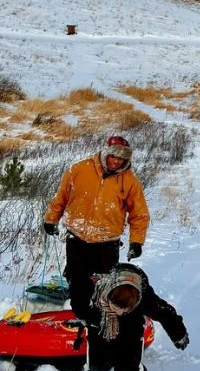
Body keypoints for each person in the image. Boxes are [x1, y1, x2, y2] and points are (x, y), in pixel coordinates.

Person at [43, 135, 150, 319]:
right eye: (113, 157)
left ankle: (104, 319)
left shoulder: (130, 181)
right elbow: (61, 197)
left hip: (107, 243)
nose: (116, 162)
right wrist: (51, 219)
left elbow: (139, 214)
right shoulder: (79, 169)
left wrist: (136, 242)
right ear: (106, 153)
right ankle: (83, 317)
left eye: (121, 159)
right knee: (77, 283)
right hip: (76, 238)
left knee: (103, 285)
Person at [82, 263, 189, 371]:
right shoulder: (99, 288)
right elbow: (81, 303)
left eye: (124, 310)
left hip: (131, 326)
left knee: (129, 357)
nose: (119, 313)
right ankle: (99, 364)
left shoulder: (144, 297)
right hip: (103, 321)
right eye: (115, 308)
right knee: (98, 347)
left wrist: (178, 333)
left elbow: (164, 312)